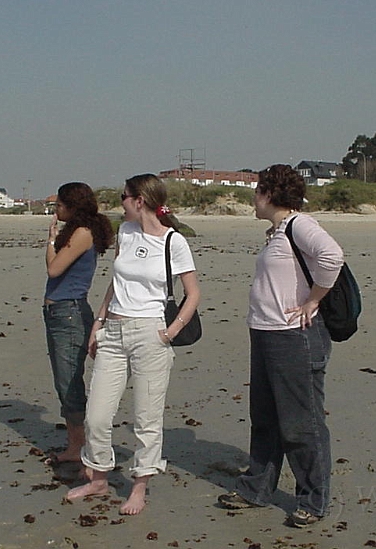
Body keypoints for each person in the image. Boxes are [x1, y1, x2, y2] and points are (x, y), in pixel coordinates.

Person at [66, 173, 200, 516]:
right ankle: (98, 477)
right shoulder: (125, 233)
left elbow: (193, 293)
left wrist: (170, 332)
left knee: (147, 419)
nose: (119, 202)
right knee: (96, 417)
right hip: (113, 330)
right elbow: (116, 281)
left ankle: (139, 486)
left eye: (124, 197)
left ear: (139, 200)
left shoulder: (174, 242)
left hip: (151, 334)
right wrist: (98, 321)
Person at [217, 164, 343, 528]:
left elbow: (332, 256)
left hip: (295, 336)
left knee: (302, 424)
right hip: (266, 333)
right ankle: (256, 487)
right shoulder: (276, 232)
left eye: (257, 191)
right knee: (266, 419)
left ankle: (313, 499)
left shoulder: (298, 224)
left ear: (269, 194)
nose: (253, 199)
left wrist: (313, 300)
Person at [43, 182, 114, 466]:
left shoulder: (82, 233)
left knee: (69, 381)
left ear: (72, 207)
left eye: (59, 205)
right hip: (60, 311)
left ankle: (78, 445)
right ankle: (78, 442)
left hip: (69, 312)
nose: (55, 210)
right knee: (65, 381)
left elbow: (53, 269)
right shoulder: (78, 231)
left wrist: (50, 240)